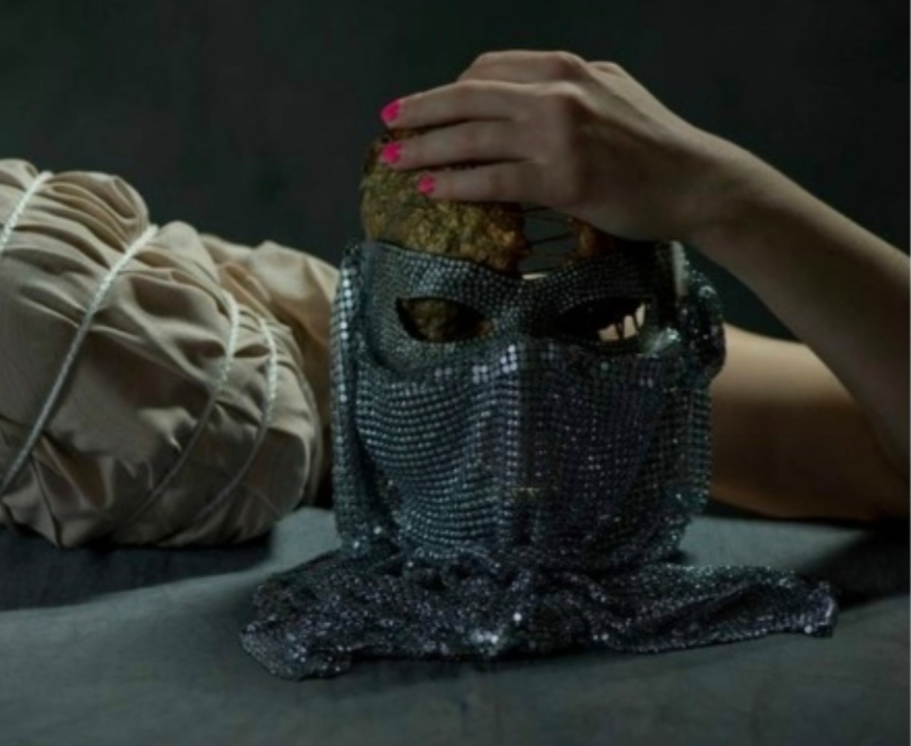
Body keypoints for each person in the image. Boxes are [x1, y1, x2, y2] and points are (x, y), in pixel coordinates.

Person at [376, 49, 909, 523]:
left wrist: (721, 197)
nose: (514, 394)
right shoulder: (368, 351)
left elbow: (876, 447)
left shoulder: (367, 344)